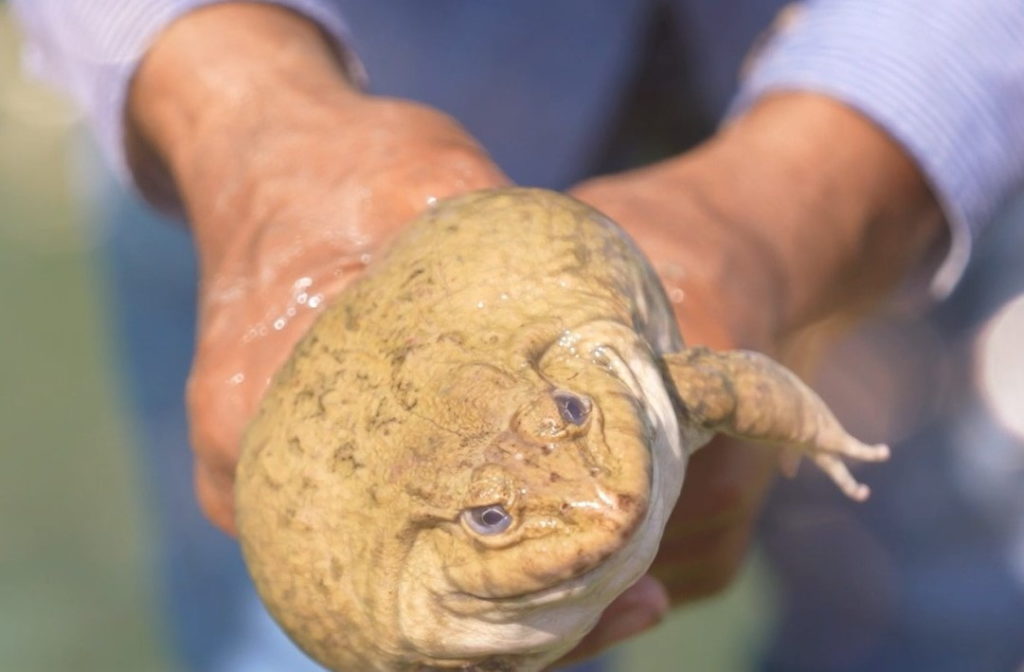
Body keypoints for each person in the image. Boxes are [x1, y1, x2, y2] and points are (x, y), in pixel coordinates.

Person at [10, 1, 1024, 670]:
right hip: (326, 136)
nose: (603, 495)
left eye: (574, 420)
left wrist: (807, 199)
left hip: (953, 100)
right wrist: (235, 109)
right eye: (496, 515)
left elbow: (728, 387)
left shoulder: (631, 416)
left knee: (963, 618)